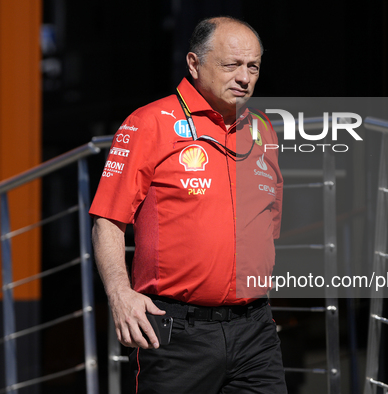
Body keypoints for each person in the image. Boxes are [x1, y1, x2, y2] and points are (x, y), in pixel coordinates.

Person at [90, 16, 286, 394]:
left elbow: (270, 222)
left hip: (255, 330)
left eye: (253, 66)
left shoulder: (263, 129)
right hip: (176, 330)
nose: (244, 78)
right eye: (231, 65)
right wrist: (119, 294)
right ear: (194, 64)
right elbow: (107, 220)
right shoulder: (149, 123)